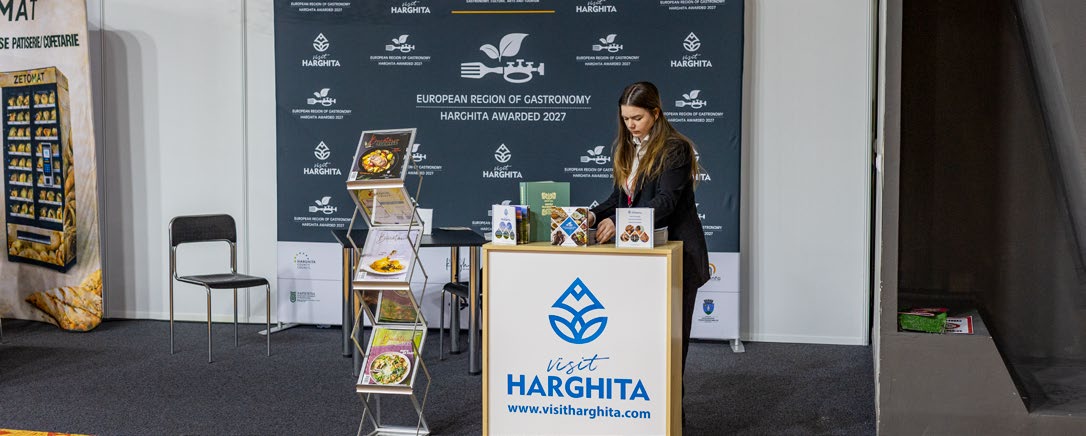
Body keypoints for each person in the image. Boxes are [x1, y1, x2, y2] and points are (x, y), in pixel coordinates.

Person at [588, 81, 711, 373]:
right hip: (642, 257)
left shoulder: (676, 148)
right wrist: (591, 216)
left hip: (677, 257)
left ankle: (674, 403)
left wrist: (618, 222)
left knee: (671, 344)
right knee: (641, 341)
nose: (631, 125)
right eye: (625, 118)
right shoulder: (627, 148)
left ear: (655, 113)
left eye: (637, 118)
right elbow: (619, 199)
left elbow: (666, 202)